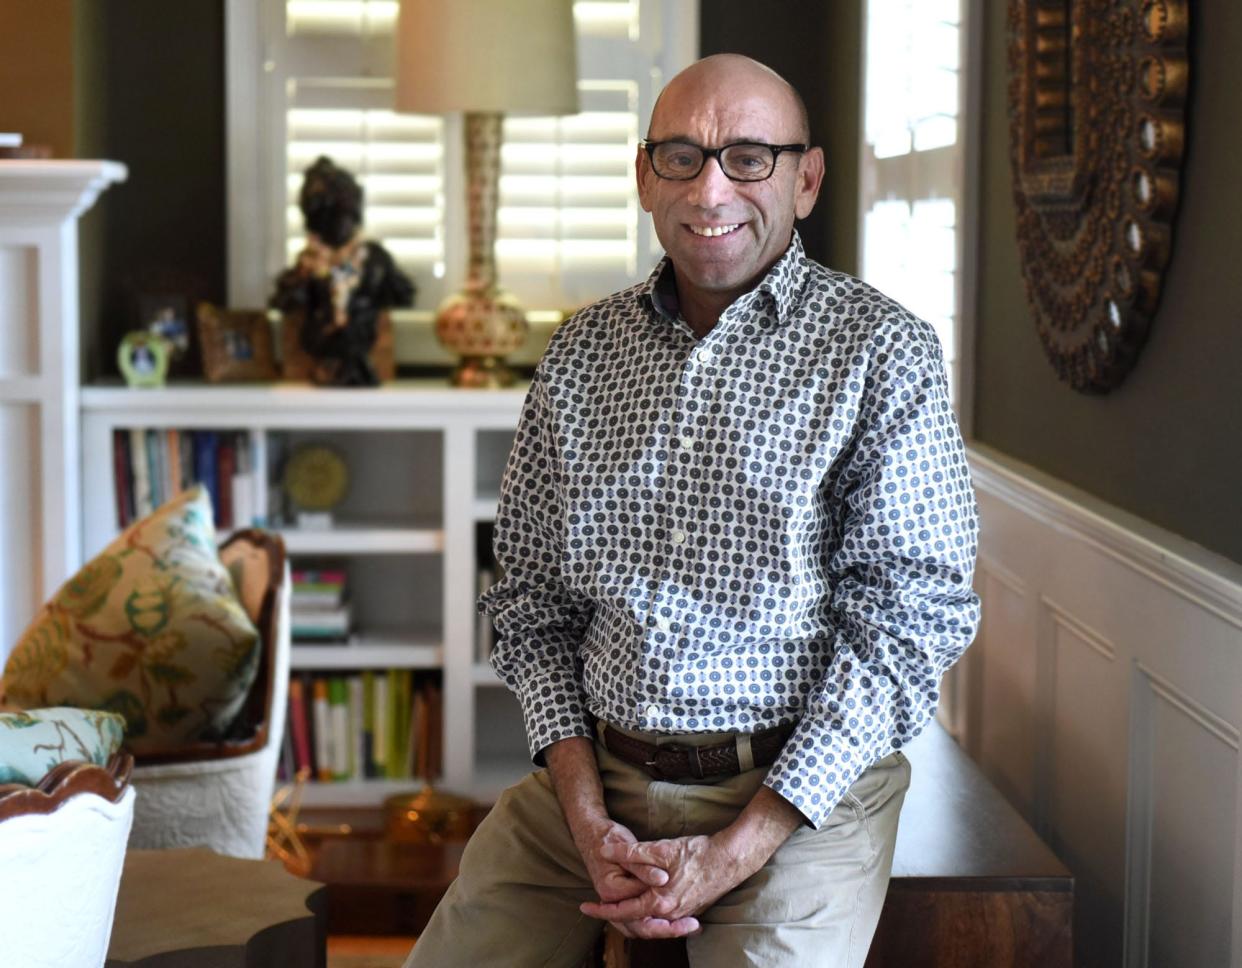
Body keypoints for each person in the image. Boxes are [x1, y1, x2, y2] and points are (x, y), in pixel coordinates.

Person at [405, 53, 980, 967]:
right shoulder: (580, 355)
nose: (711, 187)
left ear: (808, 178)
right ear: (644, 177)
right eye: (681, 155)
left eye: (750, 157)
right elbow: (530, 605)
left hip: (804, 793)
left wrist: (735, 849)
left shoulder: (883, 352)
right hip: (590, 783)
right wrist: (588, 815)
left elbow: (908, 628)